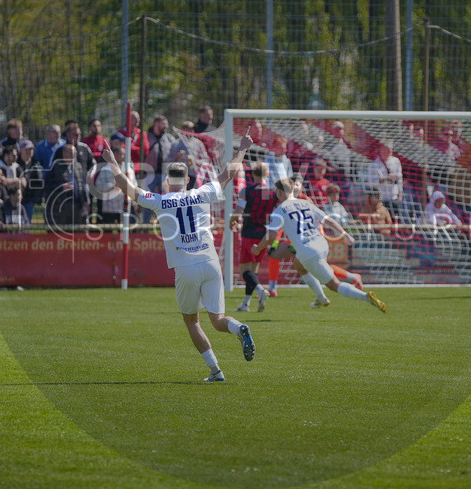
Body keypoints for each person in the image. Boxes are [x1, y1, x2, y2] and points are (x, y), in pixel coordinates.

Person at [100, 133, 256, 382]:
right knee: (217, 320)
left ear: (168, 182)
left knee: (191, 320)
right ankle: (238, 327)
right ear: (187, 179)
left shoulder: (161, 201)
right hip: (210, 262)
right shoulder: (203, 193)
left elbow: (127, 188)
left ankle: (215, 371)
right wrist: (243, 149)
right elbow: (229, 172)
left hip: (186, 267)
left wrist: (112, 162)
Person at [253, 177, 386, 313]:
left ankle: (365, 297)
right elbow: (328, 220)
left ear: (280, 193)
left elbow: (270, 237)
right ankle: (320, 297)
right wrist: (344, 234)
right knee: (298, 264)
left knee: (334, 285)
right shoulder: (306, 203)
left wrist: (257, 249)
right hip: (321, 243)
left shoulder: (279, 211)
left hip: (308, 251)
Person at [229, 161, 275, 312]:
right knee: (253, 272)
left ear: (253, 174)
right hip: (264, 235)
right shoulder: (272, 192)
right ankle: (245, 304)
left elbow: (239, 210)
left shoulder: (246, 191)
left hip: (249, 233)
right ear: (266, 174)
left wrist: (232, 221)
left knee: (244, 271)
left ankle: (261, 291)